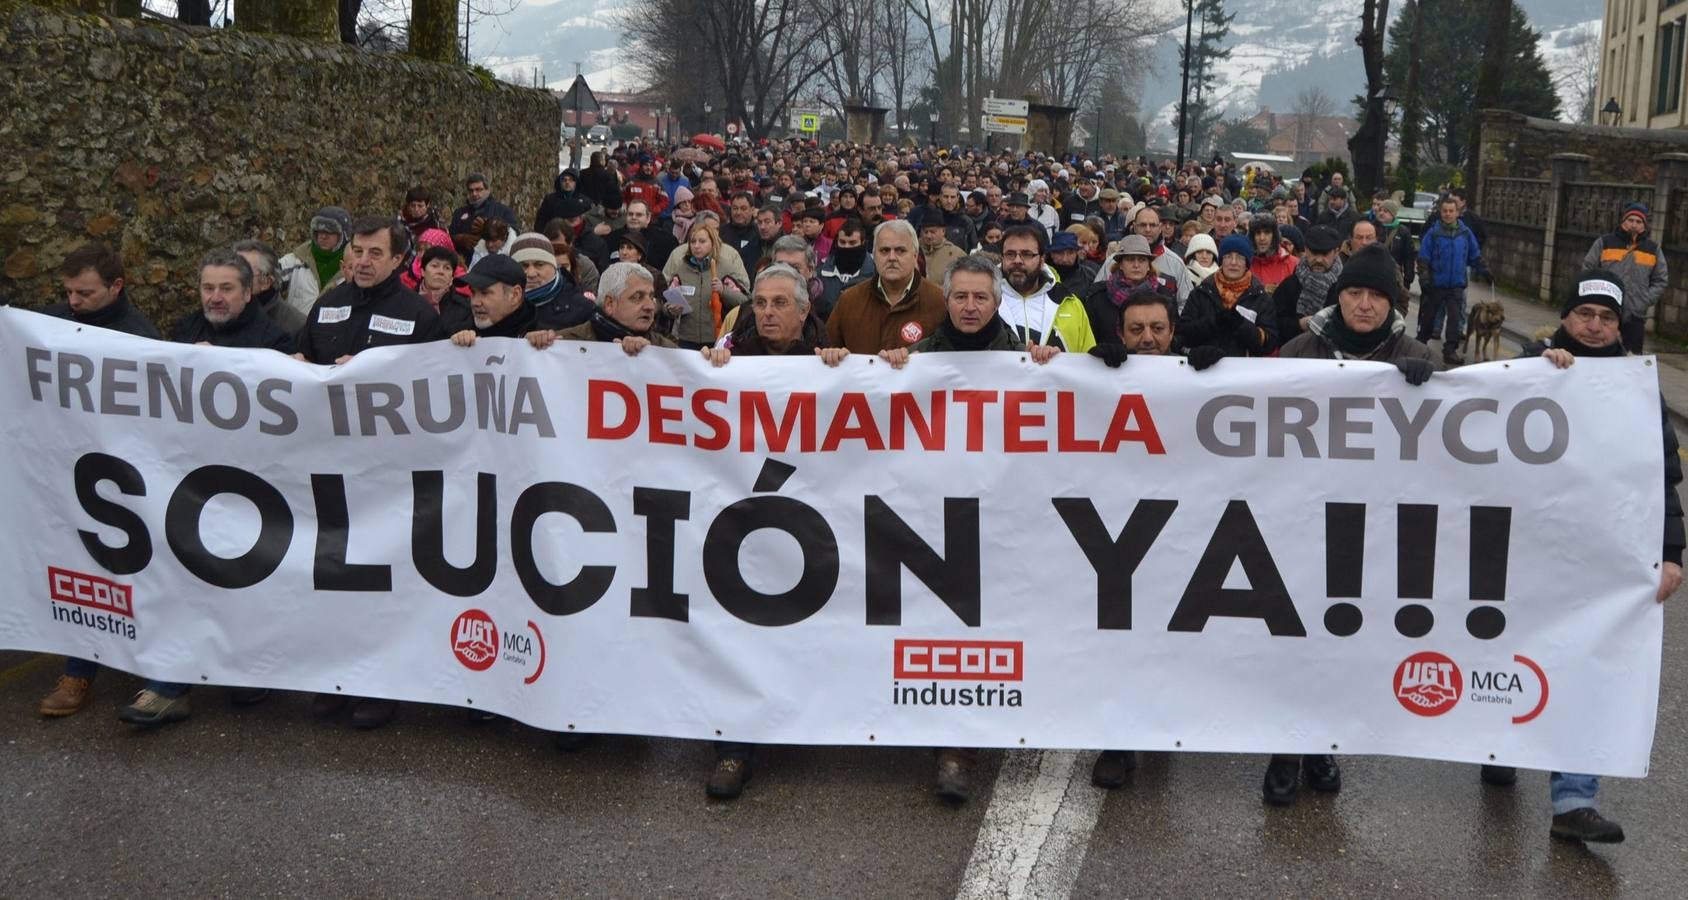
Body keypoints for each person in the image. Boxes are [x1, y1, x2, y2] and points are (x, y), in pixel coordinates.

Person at [1498, 269, 1683, 843]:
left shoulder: (1637, 384)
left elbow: (1663, 476)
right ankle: (1494, 740)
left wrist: (1670, 553)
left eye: (1607, 318)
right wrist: (1534, 362)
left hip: (1601, 552)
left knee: (1585, 663)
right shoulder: (1532, 368)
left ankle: (1574, 800)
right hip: (1523, 545)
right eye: (1586, 316)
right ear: (1566, 318)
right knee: (1508, 648)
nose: (1596, 327)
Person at [876, 254, 1060, 806]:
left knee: (989, 630)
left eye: (982, 297)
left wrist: (1053, 365)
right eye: (961, 297)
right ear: (947, 300)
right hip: (931, 519)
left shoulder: (1026, 358)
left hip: (1004, 520)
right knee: (940, 630)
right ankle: (951, 748)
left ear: (998, 301)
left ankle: (978, 730)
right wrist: (883, 368)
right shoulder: (918, 359)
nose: (972, 306)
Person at [35, 246, 159, 718]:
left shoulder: (140, 338)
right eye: (68, 292)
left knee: (131, 574)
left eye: (85, 292)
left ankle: (155, 674)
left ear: (116, 287)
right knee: (80, 573)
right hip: (66, 471)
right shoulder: (48, 324)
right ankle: (78, 671)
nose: (74, 301)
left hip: (123, 480)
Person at [294, 216, 445, 377]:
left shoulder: (419, 315)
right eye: (358, 251)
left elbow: (432, 377)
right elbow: (305, 357)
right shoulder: (327, 304)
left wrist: (369, 369)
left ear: (396, 260)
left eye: (375, 253)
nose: (363, 262)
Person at [1278, 244, 1431, 375]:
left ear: (1391, 303)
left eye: (1376, 295)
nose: (1364, 305)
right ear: (1339, 297)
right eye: (1355, 293)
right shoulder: (1295, 353)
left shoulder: (1421, 356)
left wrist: (1430, 385)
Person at [825, 219, 945, 353]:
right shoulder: (849, 300)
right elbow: (827, 346)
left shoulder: (940, 301)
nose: (892, 257)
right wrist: (832, 354)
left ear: (915, 256)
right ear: (874, 255)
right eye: (884, 250)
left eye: (900, 250)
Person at [169, 249, 296, 352]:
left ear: (247, 293)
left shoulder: (275, 343)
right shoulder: (185, 330)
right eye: (208, 288)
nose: (216, 298)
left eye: (226, 289)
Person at [540, 261, 678, 354]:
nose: (650, 306)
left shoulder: (667, 351)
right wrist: (532, 347)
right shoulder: (564, 343)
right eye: (637, 297)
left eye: (651, 297)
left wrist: (650, 357)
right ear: (610, 304)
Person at [1583, 202, 1668, 354]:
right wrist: (1597, 296)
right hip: (1605, 312)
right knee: (1600, 353)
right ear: (1623, 221)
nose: (1634, 224)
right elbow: (1588, 270)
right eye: (1630, 220)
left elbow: (1661, 280)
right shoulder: (1605, 242)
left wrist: (1645, 299)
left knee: (1632, 360)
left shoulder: (1653, 249)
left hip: (1635, 315)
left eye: (1638, 221)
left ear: (1644, 225)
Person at [1417, 196, 1491, 366]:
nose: (1448, 214)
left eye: (1451, 211)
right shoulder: (1433, 233)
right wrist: (1424, 279)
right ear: (1440, 212)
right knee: (1428, 318)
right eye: (1445, 211)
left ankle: (1450, 351)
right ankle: (1420, 345)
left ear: (1457, 213)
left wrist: (1485, 270)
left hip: (1457, 285)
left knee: (1455, 320)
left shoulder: (1465, 233)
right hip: (1435, 284)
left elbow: (1475, 255)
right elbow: (1424, 258)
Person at [1177, 234, 1275, 359]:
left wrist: (1241, 325)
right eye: (1228, 256)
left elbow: (1269, 343)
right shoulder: (1201, 293)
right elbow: (1183, 333)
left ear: (1247, 263)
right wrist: (1212, 323)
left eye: (1240, 257)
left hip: (1245, 373)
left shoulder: (1261, 298)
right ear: (1221, 260)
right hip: (1205, 370)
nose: (1233, 262)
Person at [998, 224, 1088, 350]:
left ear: (1041, 261)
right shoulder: (983, 300)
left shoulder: (1069, 303)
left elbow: (1087, 357)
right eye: (1010, 254)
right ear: (1002, 258)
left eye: (1027, 254)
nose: (1017, 260)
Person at [663, 219, 749, 349]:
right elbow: (666, 302)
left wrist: (724, 290)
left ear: (712, 243)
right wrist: (670, 309)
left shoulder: (726, 268)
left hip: (717, 338)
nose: (696, 246)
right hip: (686, 339)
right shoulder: (681, 269)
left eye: (702, 241)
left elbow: (744, 302)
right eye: (693, 242)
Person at [1079, 234, 1174, 351]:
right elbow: (1087, 337)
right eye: (1130, 259)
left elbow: (1174, 336)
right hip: (1109, 365)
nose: (1136, 265)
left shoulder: (1164, 296)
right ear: (1121, 265)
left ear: (1148, 266)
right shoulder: (1098, 296)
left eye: (1142, 260)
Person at [445, 254, 552, 346]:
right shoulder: (457, 330)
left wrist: (541, 348)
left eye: (485, 293)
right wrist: (455, 347)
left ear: (515, 295)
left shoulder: (544, 336)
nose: (475, 302)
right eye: (473, 292)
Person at [508, 231, 595, 330]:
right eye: (523, 266)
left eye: (539, 264)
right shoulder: (497, 306)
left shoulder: (582, 307)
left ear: (554, 267)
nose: (531, 273)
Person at [277, 206, 350, 322]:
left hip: (333, 335)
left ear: (343, 235)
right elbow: (268, 278)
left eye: (330, 232)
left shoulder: (353, 269)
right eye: (319, 231)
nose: (323, 236)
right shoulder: (295, 261)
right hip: (296, 334)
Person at [1273, 225, 1344, 342]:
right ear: (1306, 250)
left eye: (1325, 254)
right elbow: (1274, 322)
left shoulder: (1345, 287)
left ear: (1336, 252)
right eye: (1314, 253)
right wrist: (1299, 324)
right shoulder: (1289, 285)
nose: (1319, 260)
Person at [232, 239, 305, 333]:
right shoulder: (216, 312)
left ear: (266, 282)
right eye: (230, 269)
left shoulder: (294, 326)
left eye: (243, 272)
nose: (231, 278)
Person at [816, 217, 873, 321]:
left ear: (863, 242)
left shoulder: (876, 272)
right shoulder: (821, 272)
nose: (846, 247)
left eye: (852, 243)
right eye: (842, 242)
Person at [448, 173, 518, 256]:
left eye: (478, 189)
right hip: (464, 261)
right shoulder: (459, 213)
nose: (474, 194)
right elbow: (449, 237)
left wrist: (488, 229)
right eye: (471, 190)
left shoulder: (503, 211)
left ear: (487, 190)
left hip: (494, 260)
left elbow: (513, 235)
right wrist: (461, 239)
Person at [1248, 218, 1296, 293]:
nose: (1262, 238)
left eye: (1267, 233)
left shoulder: (1293, 263)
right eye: (1258, 233)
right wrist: (1261, 290)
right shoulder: (1245, 263)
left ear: (1274, 236)